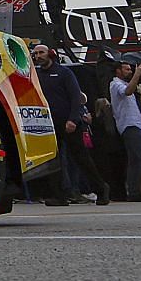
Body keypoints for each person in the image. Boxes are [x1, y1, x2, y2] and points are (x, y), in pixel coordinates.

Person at [35, 45, 107, 207]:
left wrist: (73, 119)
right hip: (49, 125)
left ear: (51, 54)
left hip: (69, 123)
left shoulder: (64, 73)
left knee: (81, 158)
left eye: (41, 52)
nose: (38, 56)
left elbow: (76, 97)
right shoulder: (37, 75)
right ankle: (60, 196)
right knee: (53, 161)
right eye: (36, 53)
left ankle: (101, 189)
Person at [108, 61, 141, 201]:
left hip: (133, 124)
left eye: (130, 69)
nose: (129, 71)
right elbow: (127, 92)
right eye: (126, 69)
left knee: (134, 161)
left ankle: (134, 192)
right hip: (130, 125)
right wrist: (138, 74)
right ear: (118, 71)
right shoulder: (116, 84)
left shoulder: (124, 84)